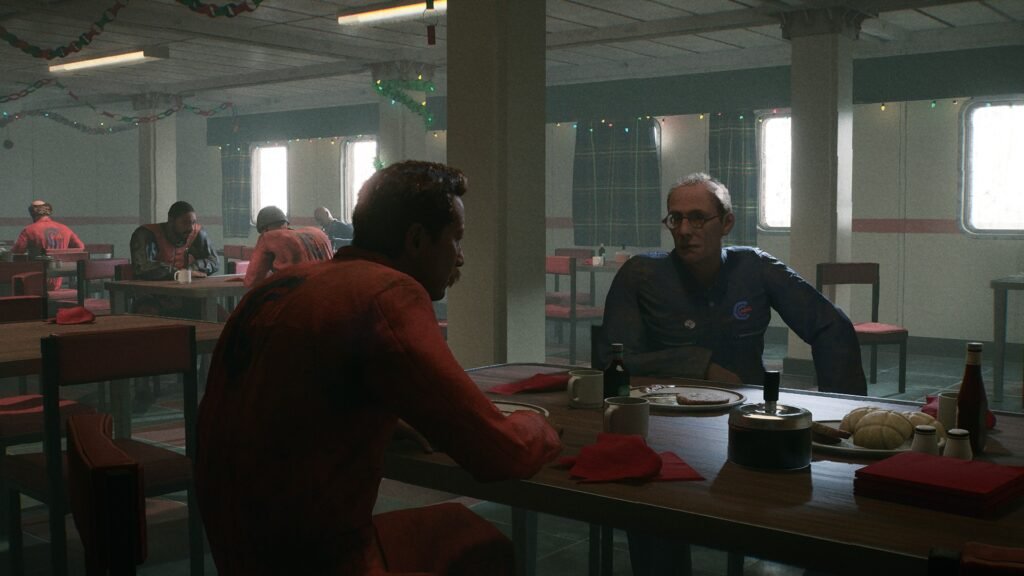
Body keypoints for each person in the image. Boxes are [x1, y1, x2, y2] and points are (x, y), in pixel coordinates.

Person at [197, 160, 562, 576]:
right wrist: (542, 426)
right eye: (456, 240)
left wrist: (381, 420)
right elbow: (501, 455)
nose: (460, 257)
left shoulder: (276, 288)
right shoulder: (388, 292)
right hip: (316, 558)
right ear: (417, 239)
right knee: (479, 544)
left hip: (236, 552)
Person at [599, 172, 867, 396]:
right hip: (670, 409)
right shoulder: (641, 274)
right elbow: (611, 359)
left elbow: (831, 326)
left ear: (727, 223)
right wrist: (699, 365)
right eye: (675, 218)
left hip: (746, 412)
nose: (683, 230)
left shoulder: (755, 267)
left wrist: (843, 413)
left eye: (697, 218)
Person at [243, 205, 333, 287]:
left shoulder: (268, 237)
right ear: (286, 223)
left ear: (265, 229)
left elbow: (252, 280)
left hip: (297, 296)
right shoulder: (318, 232)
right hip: (328, 291)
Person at [130, 200, 219, 281]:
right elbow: (142, 267)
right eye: (185, 222)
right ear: (171, 221)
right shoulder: (146, 234)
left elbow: (214, 261)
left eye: (193, 222)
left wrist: (193, 268)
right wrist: (178, 274)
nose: (191, 228)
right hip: (152, 293)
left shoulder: (197, 233)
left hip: (185, 290)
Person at [12, 200, 85, 288]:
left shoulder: (29, 230)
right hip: (59, 282)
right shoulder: (65, 229)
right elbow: (81, 247)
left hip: (35, 283)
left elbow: (16, 252)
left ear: (32, 213)